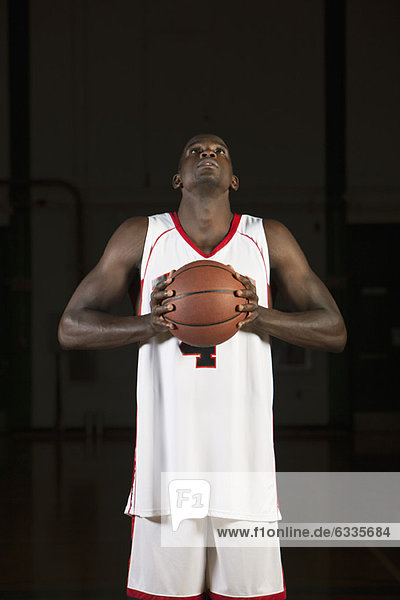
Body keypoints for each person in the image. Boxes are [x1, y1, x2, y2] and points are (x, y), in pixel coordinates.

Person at [58, 134, 346, 600]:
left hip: (245, 475)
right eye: (195, 151)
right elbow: (71, 328)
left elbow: (334, 330)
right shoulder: (142, 235)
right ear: (177, 179)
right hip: (169, 474)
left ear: (234, 178)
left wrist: (257, 314)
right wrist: (149, 325)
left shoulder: (266, 237)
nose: (207, 154)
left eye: (219, 151)